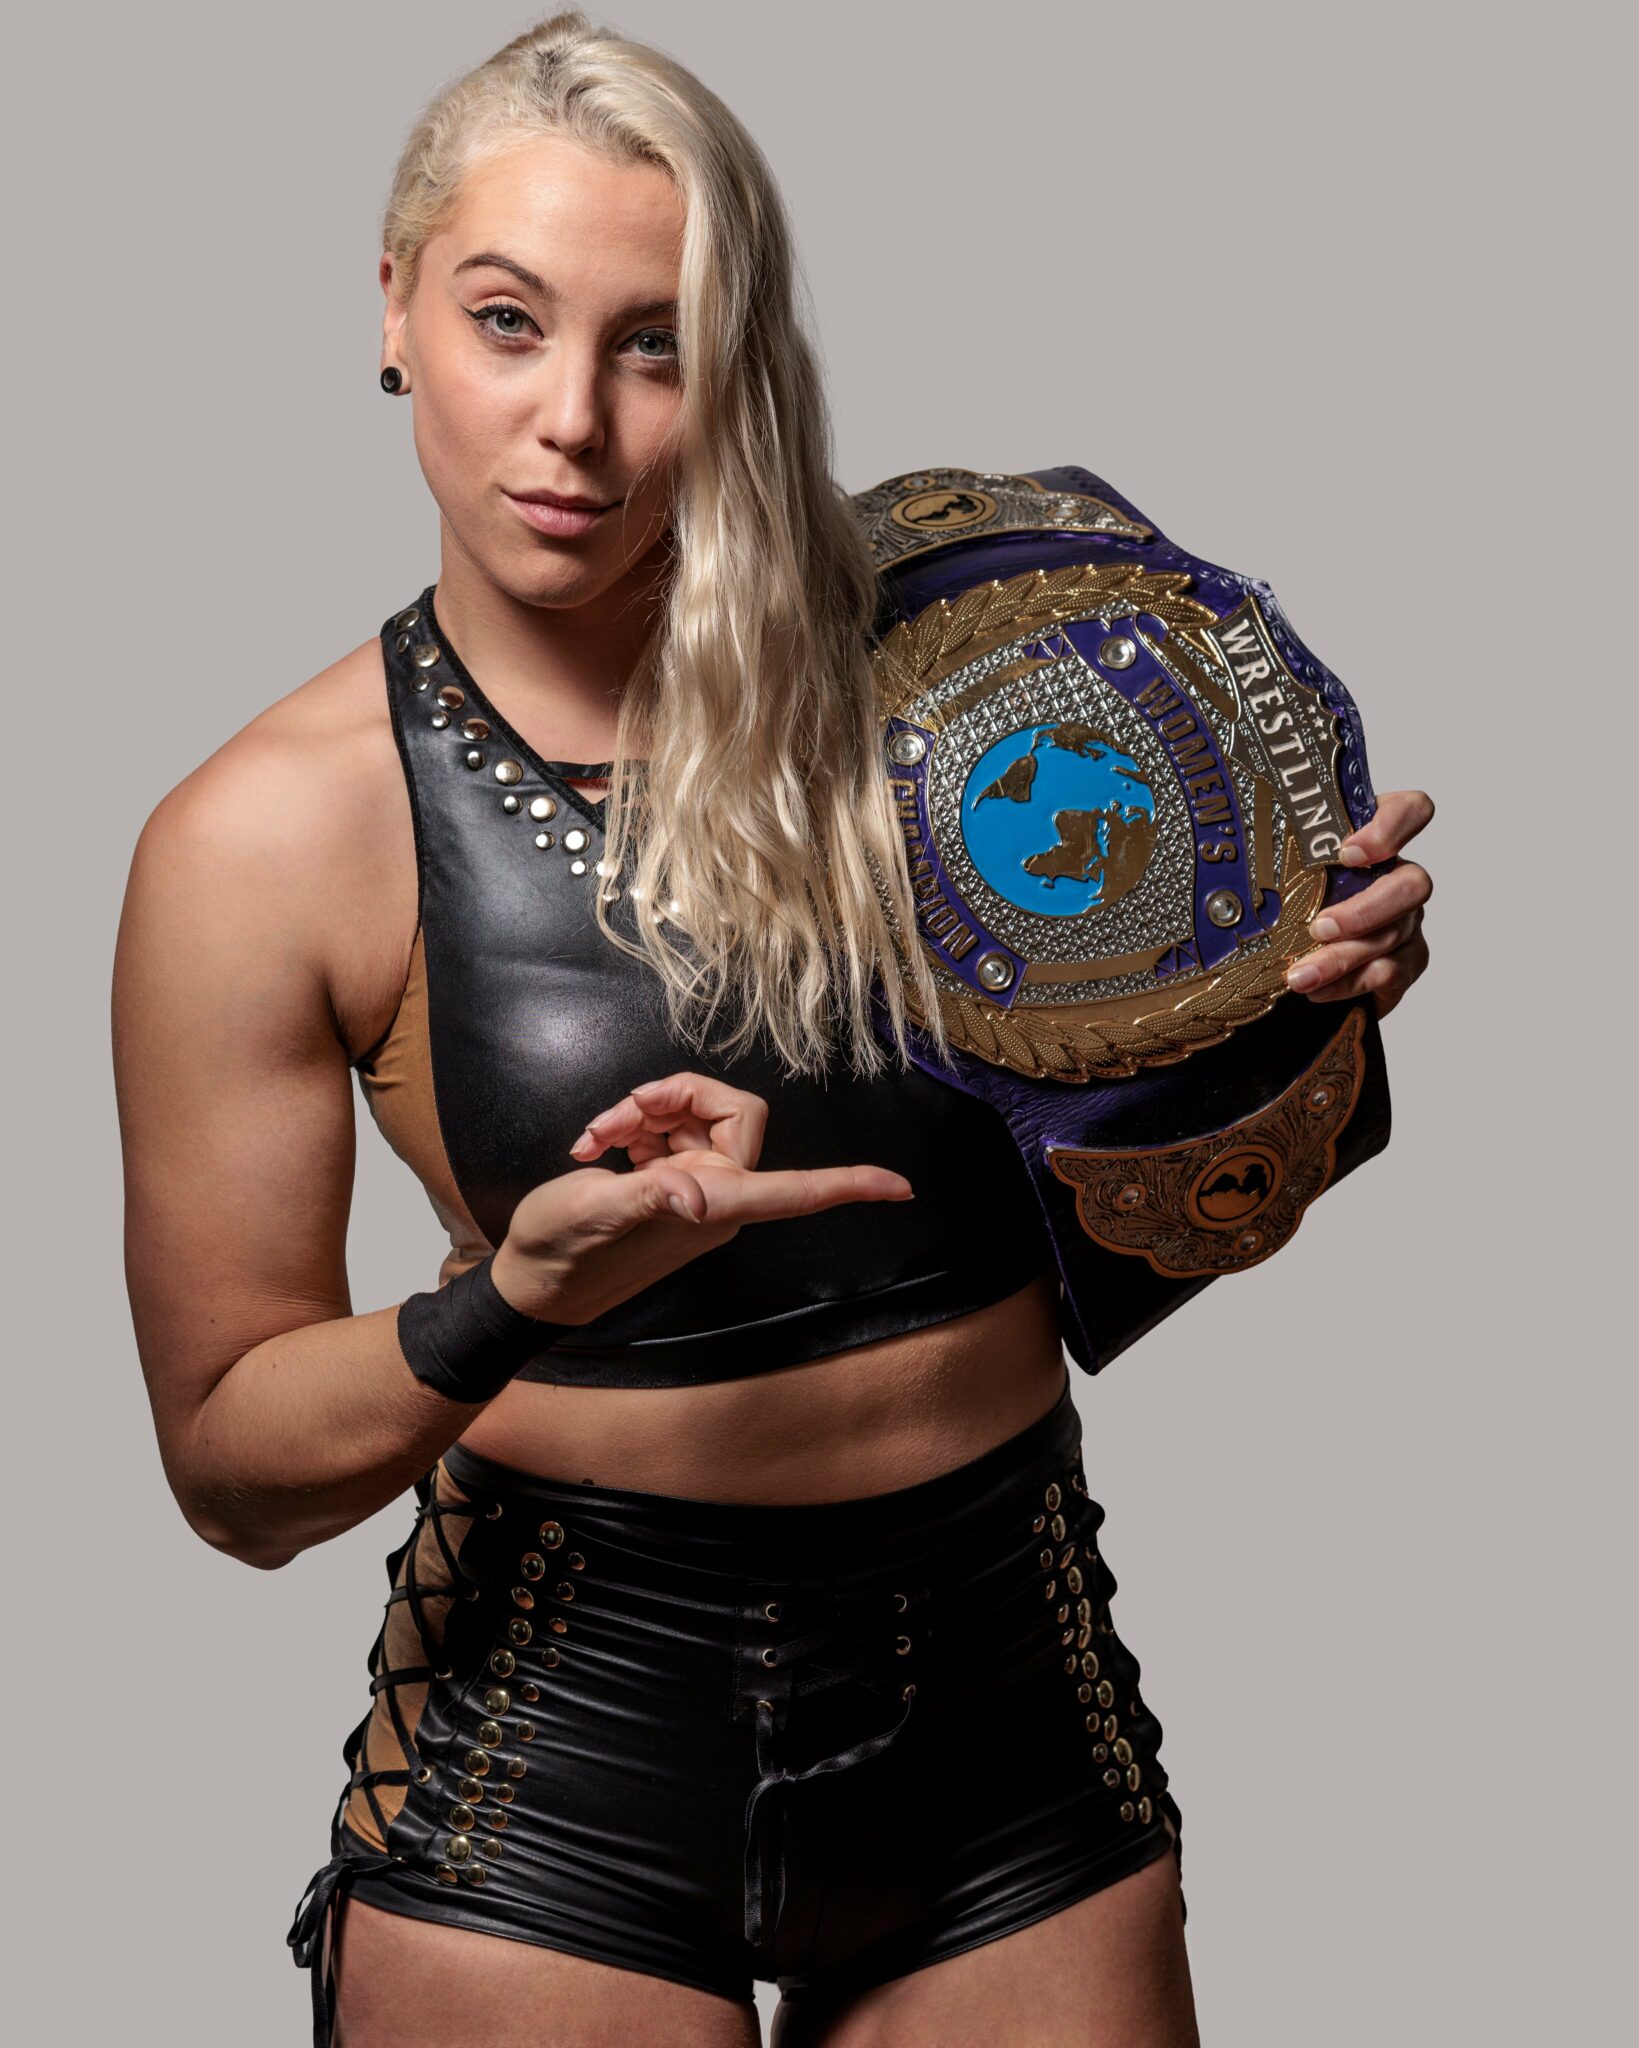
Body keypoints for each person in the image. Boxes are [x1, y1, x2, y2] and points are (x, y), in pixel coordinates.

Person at [111, 13, 1435, 2047]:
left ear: (738, 369)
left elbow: (1157, 1180)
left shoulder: (960, 664)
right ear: (391, 310)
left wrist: (1285, 1003)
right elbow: (233, 1472)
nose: (573, 422)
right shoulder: (263, 841)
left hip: (1007, 1718)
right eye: (504, 322)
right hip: (563, 1756)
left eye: (657, 345)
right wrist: (510, 1302)